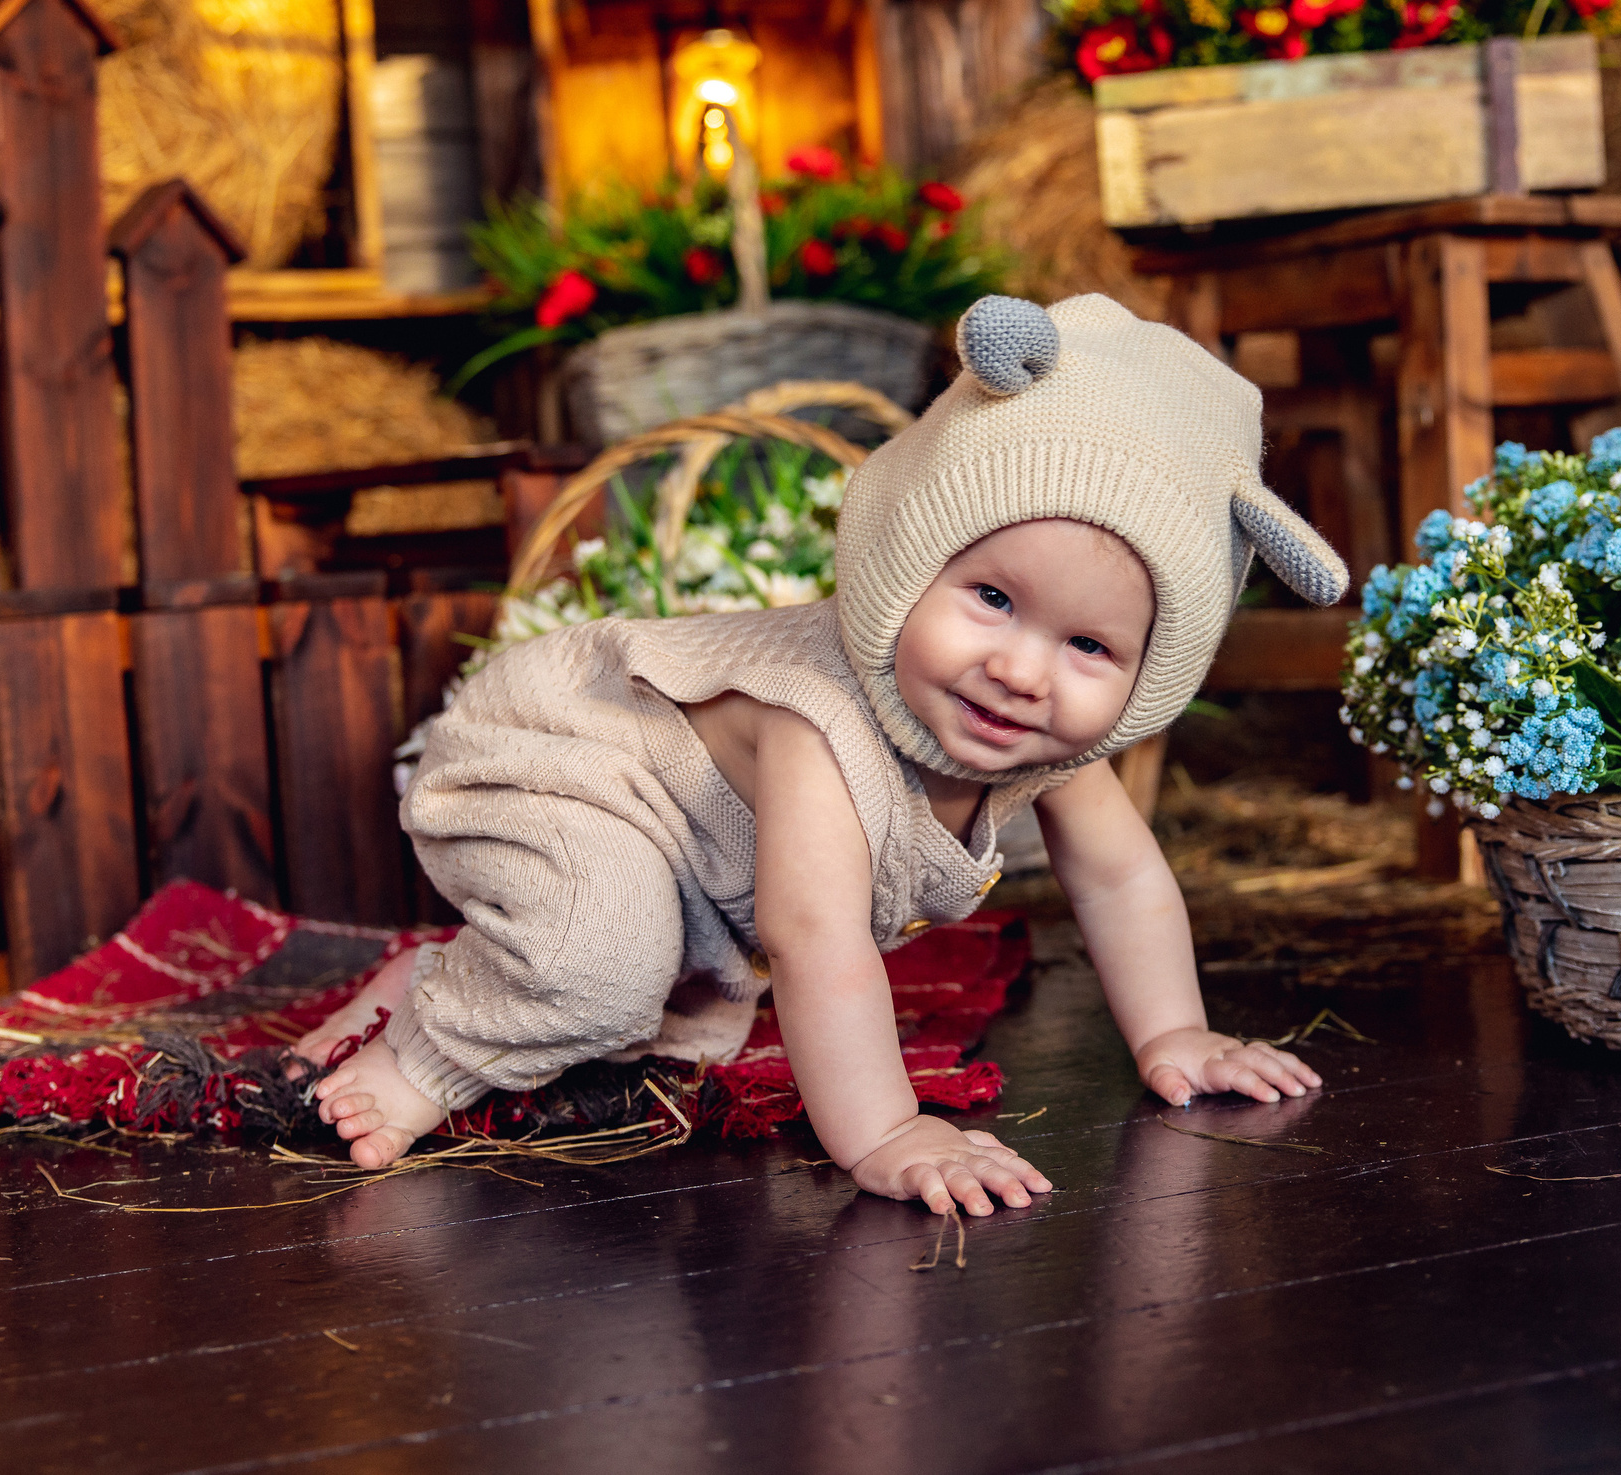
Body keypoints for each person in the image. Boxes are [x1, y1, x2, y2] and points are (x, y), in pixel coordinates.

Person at [298, 292, 1349, 1216]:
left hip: (680, 859)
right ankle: (419, 1057)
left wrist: (1176, 1036)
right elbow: (815, 943)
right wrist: (886, 1132)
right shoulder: (817, 716)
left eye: (1088, 646)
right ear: (909, 554)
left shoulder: (1040, 742)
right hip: (559, 758)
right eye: (991, 598)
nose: (1022, 672)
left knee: (647, 1027)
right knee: (593, 972)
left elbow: (1119, 876)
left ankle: (446, 974)